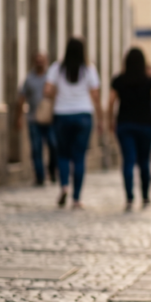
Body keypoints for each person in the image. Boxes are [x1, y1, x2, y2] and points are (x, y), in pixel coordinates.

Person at [107, 49, 151, 211]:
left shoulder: (119, 80)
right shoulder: (150, 81)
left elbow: (110, 102)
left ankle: (129, 198)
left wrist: (110, 120)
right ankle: (145, 197)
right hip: (145, 125)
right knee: (144, 161)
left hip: (125, 125)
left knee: (128, 161)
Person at [46, 38, 102, 209]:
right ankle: (76, 199)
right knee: (79, 157)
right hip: (83, 115)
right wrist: (100, 117)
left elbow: (47, 91)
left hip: (62, 115)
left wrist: (59, 93)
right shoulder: (88, 69)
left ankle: (64, 186)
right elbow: (95, 95)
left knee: (63, 155)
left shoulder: (57, 68)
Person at [16, 52, 57, 186]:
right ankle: (40, 177)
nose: (39, 63)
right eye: (37, 60)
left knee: (54, 146)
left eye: (42, 60)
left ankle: (52, 170)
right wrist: (18, 118)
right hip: (34, 119)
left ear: (46, 62)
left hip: (50, 120)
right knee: (36, 148)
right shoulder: (29, 79)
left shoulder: (51, 78)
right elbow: (21, 99)